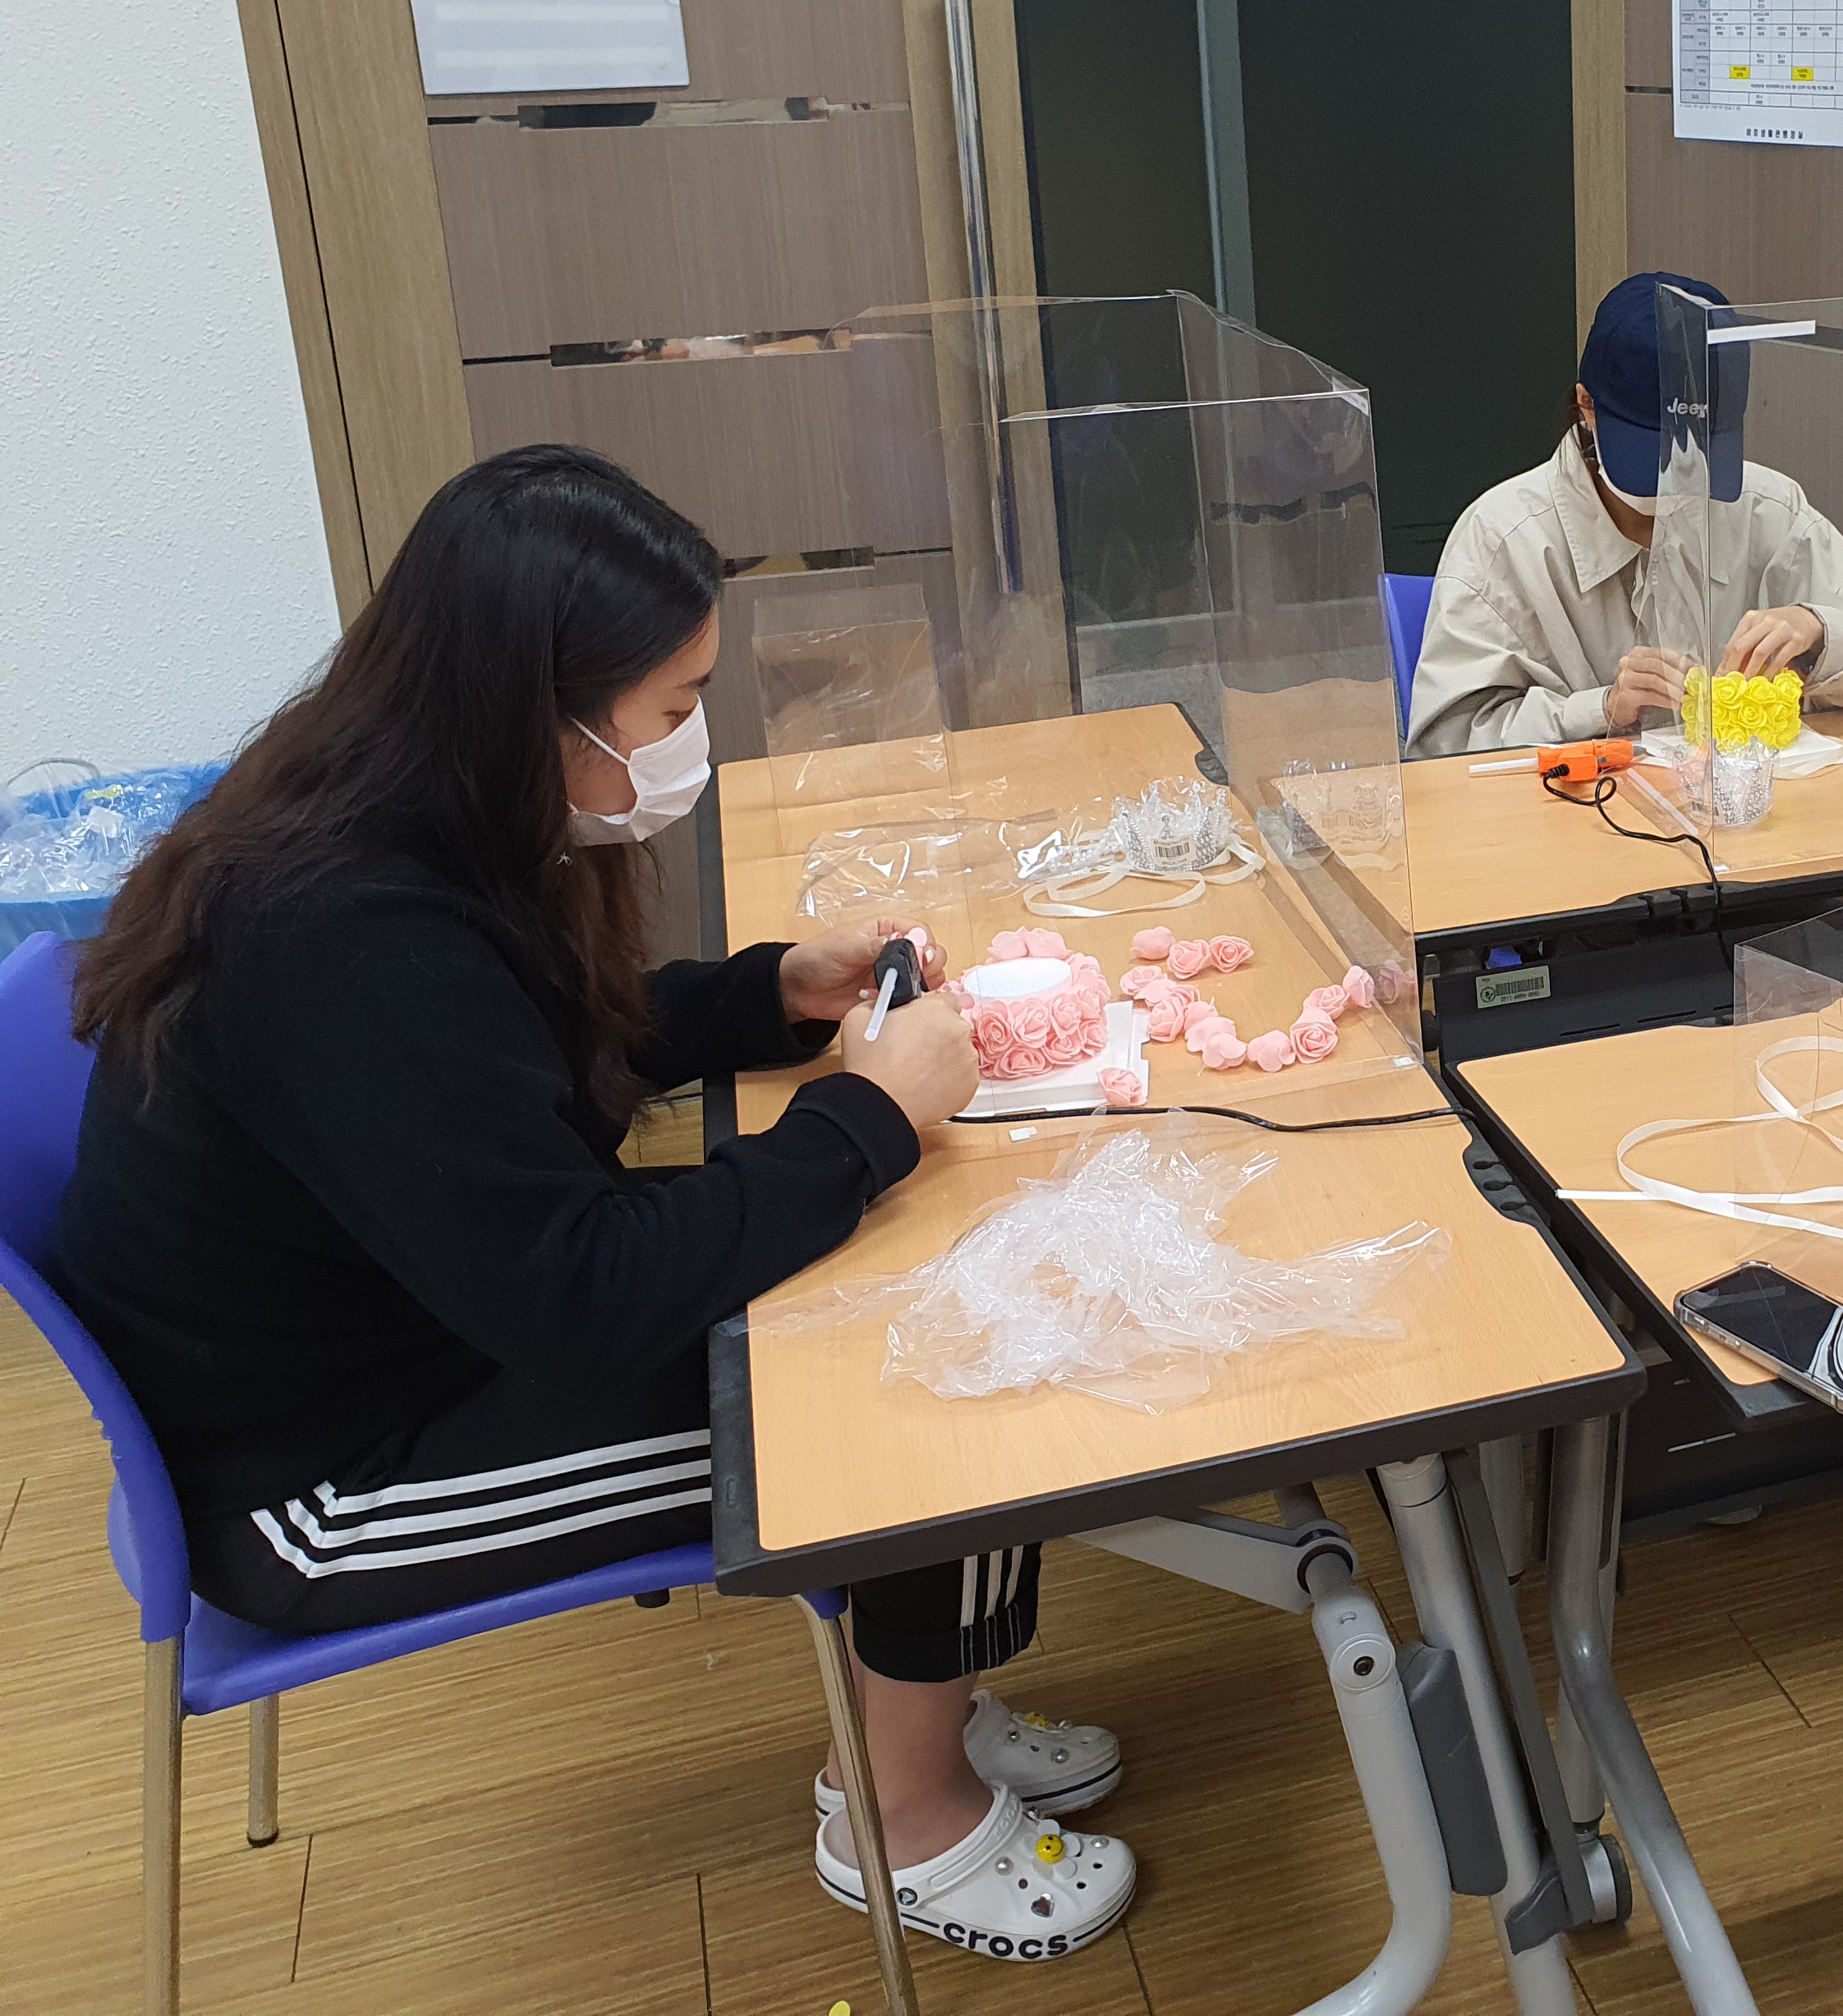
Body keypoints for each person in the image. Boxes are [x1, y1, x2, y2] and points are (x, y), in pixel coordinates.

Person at [51, 447, 1138, 1967]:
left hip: (428, 1320)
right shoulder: (341, 937)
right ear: (534, 707)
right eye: (672, 709)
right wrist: (865, 1117)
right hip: (319, 1485)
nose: (690, 742)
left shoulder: (400, 809)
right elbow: (579, 1298)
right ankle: (899, 1814)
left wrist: (764, 992)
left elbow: (512, 1056)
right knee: (916, 1382)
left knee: (907, 1271)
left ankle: (916, 1711)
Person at [1404, 269, 1843, 754]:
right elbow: (1441, 750)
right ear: (1587, 406)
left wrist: (1818, 630)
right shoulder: (1502, 538)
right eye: (1651, 455)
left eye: (1698, 454)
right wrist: (1600, 709)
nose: (1673, 483)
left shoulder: (1766, 510)